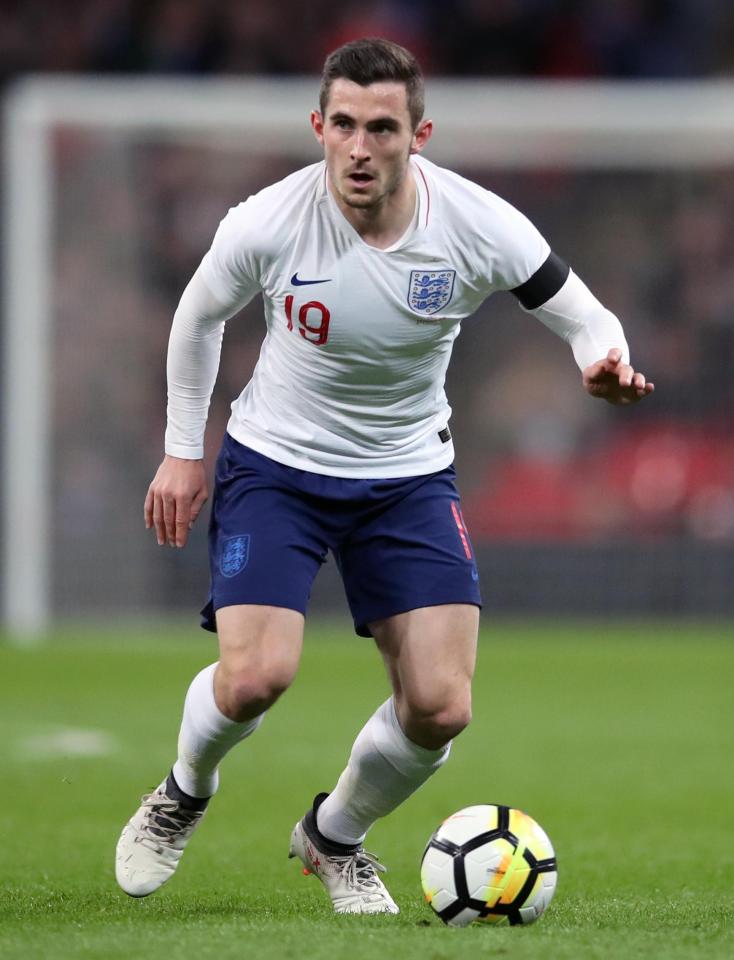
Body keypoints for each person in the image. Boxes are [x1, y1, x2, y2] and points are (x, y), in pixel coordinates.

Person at [114, 37, 653, 914]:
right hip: (277, 465)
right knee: (256, 677)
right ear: (319, 127)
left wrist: (604, 360)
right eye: (345, 126)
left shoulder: (479, 225)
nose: (360, 148)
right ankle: (182, 791)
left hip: (407, 477)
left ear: (419, 135)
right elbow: (198, 317)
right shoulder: (268, 221)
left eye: (383, 128)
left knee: (441, 706)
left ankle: (333, 838)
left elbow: (584, 315)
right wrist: (184, 449)